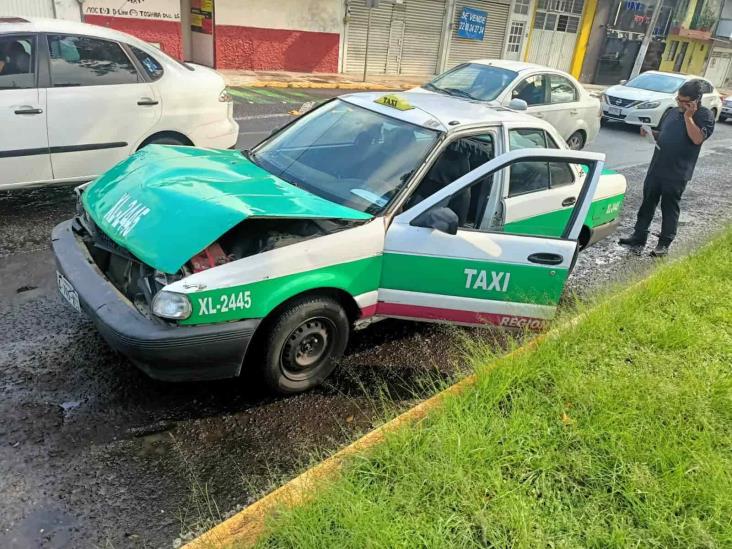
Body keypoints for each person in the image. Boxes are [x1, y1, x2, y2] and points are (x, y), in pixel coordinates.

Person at [618, 79, 715, 257]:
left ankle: (664, 243)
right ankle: (638, 236)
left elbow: (697, 139)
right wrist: (651, 133)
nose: (679, 103)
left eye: (684, 101)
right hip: (657, 166)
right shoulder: (672, 112)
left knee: (669, 207)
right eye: (678, 99)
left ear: (696, 101)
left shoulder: (704, 116)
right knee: (647, 203)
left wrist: (688, 117)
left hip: (677, 172)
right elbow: (667, 134)